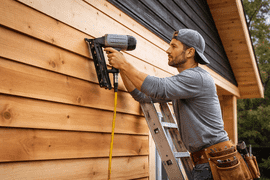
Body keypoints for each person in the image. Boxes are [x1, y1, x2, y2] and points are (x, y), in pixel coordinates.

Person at [104, 29, 230, 180]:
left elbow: (157, 88)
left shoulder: (198, 78)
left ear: (190, 52)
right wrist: (123, 68)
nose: (168, 50)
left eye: (174, 46)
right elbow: (143, 96)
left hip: (214, 163)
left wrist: (125, 64)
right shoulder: (184, 83)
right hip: (208, 161)